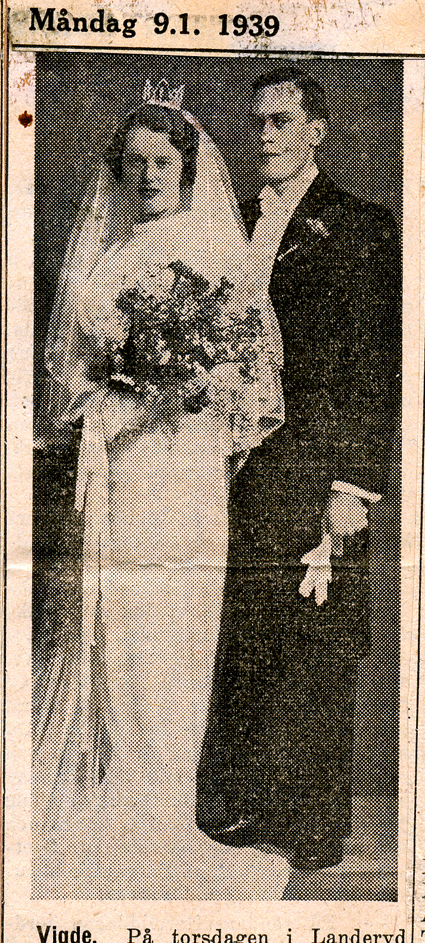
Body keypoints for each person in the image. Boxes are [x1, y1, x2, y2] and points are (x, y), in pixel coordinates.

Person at [32, 85, 293, 899]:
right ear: (119, 171)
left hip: (176, 474)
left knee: (165, 636)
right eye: (135, 162)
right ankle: (110, 791)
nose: (147, 175)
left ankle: (157, 806)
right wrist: (105, 400)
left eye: (162, 162)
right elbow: (70, 375)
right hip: (113, 469)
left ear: (187, 168)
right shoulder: (106, 251)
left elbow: (238, 383)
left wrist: (160, 390)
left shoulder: (211, 249)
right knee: (111, 628)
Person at [197, 68, 401, 873]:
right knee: (252, 633)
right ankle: (251, 801)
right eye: (257, 123)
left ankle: (316, 821)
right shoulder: (233, 220)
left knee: (317, 638)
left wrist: (352, 487)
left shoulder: (361, 224)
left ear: (316, 130)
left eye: (281, 121)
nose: (265, 136)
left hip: (319, 464)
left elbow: (375, 365)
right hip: (242, 465)